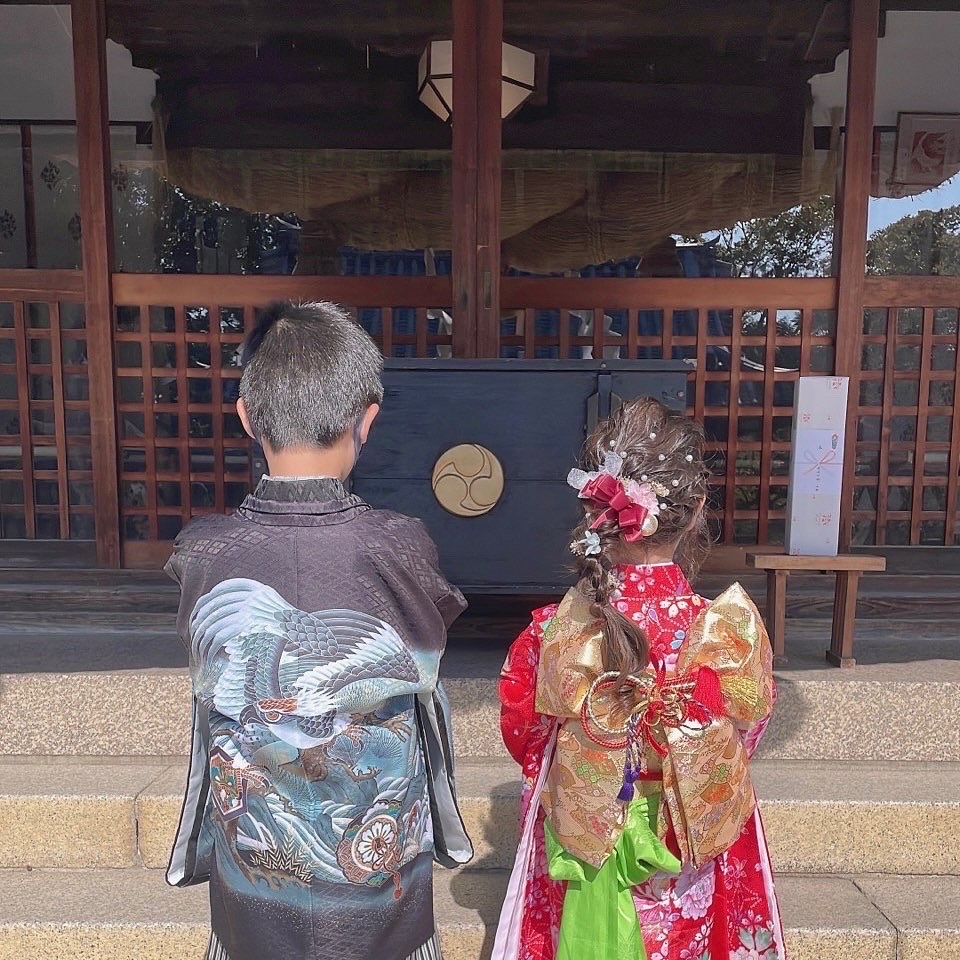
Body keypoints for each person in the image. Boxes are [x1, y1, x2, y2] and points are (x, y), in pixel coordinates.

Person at [164, 301, 473, 960]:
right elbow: (426, 653)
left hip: (254, 887)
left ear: (246, 416)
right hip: (379, 888)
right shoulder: (399, 545)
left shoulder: (203, 554)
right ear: (367, 421)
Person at [493, 398, 782, 960]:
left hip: (585, 838)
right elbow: (746, 732)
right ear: (696, 509)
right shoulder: (724, 630)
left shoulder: (558, 630)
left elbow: (525, 736)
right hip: (690, 834)